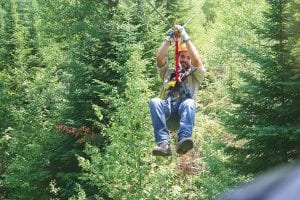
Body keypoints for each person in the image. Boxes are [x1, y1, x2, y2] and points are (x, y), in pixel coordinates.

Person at [149, 25, 206, 156]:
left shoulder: (195, 75)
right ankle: (163, 144)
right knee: (154, 101)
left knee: (189, 103)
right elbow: (159, 58)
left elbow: (197, 61)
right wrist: (169, 40)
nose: (184, 59)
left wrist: (185, 38)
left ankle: (183, 140)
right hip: (167, 112)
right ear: (178, 57)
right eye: (182, 56)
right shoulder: (168, 73)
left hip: (183, 115)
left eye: (187, 57)